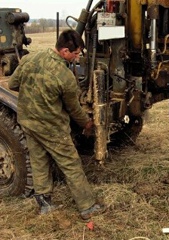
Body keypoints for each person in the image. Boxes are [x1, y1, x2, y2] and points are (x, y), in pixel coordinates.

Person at [8, 29, 106, 219]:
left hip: (28, 122)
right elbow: (74, 108)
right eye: (76, 53)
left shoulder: (30, 59)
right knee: (71, 163)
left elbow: (13, 84)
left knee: (39, 161)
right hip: (51, 128)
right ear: (64, 51)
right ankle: (87, 206)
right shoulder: (65, 76)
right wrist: (86, 123)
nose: (77, 57)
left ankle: (44, 203)